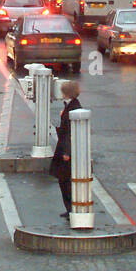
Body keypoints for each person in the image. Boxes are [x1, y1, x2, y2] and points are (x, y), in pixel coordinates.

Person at [49, 80, 81, 218]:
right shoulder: (71, 106)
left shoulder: (73, 108)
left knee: (65, 180)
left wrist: (67, 152)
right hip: (65, 147)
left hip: (66, 149)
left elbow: (69, 132)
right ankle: (70, 208)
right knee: (64, 179)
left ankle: (71, 208)